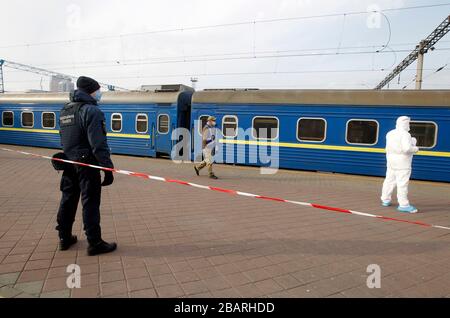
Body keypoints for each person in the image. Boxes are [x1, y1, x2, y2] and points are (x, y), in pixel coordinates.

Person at [56, 76, 117, 256]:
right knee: (89, 202)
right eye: (98, 90)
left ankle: (64, 237)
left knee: (67, 200)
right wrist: (107, 167)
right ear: (91, 91)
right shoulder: (92, 111)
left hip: (68, 162)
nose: (99, 93)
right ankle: (95, 243)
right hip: (87, 165)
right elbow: (98, 144)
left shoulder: (65, 110)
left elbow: (63, 138)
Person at [380, 116, 419, 213]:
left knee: (389, 181)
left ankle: (385, 199)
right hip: (403, 163)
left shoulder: (390, 133)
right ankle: (404, 205)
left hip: (391, 162)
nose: (409, 125)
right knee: (402, 184)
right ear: (405, 124)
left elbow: (387, 148)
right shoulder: (405, 134)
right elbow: (406, 149)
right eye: (408, 124)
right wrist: (415, 148)